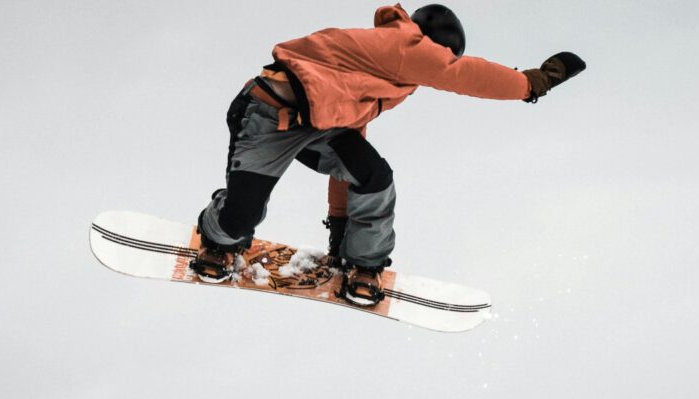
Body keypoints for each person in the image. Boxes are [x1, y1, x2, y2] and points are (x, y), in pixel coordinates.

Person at [191, 3, 585, 306]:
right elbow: (464, 74)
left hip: (321, 126)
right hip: (266, 115)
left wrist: (342, 229)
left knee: (374, 177)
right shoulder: (403, 44)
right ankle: (219, 238)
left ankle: (363, 263)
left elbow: (349, 151)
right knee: (240, 217)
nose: (432, 73)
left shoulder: (384, 75)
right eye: (439, 60)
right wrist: (533, 83)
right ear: (435, 44)